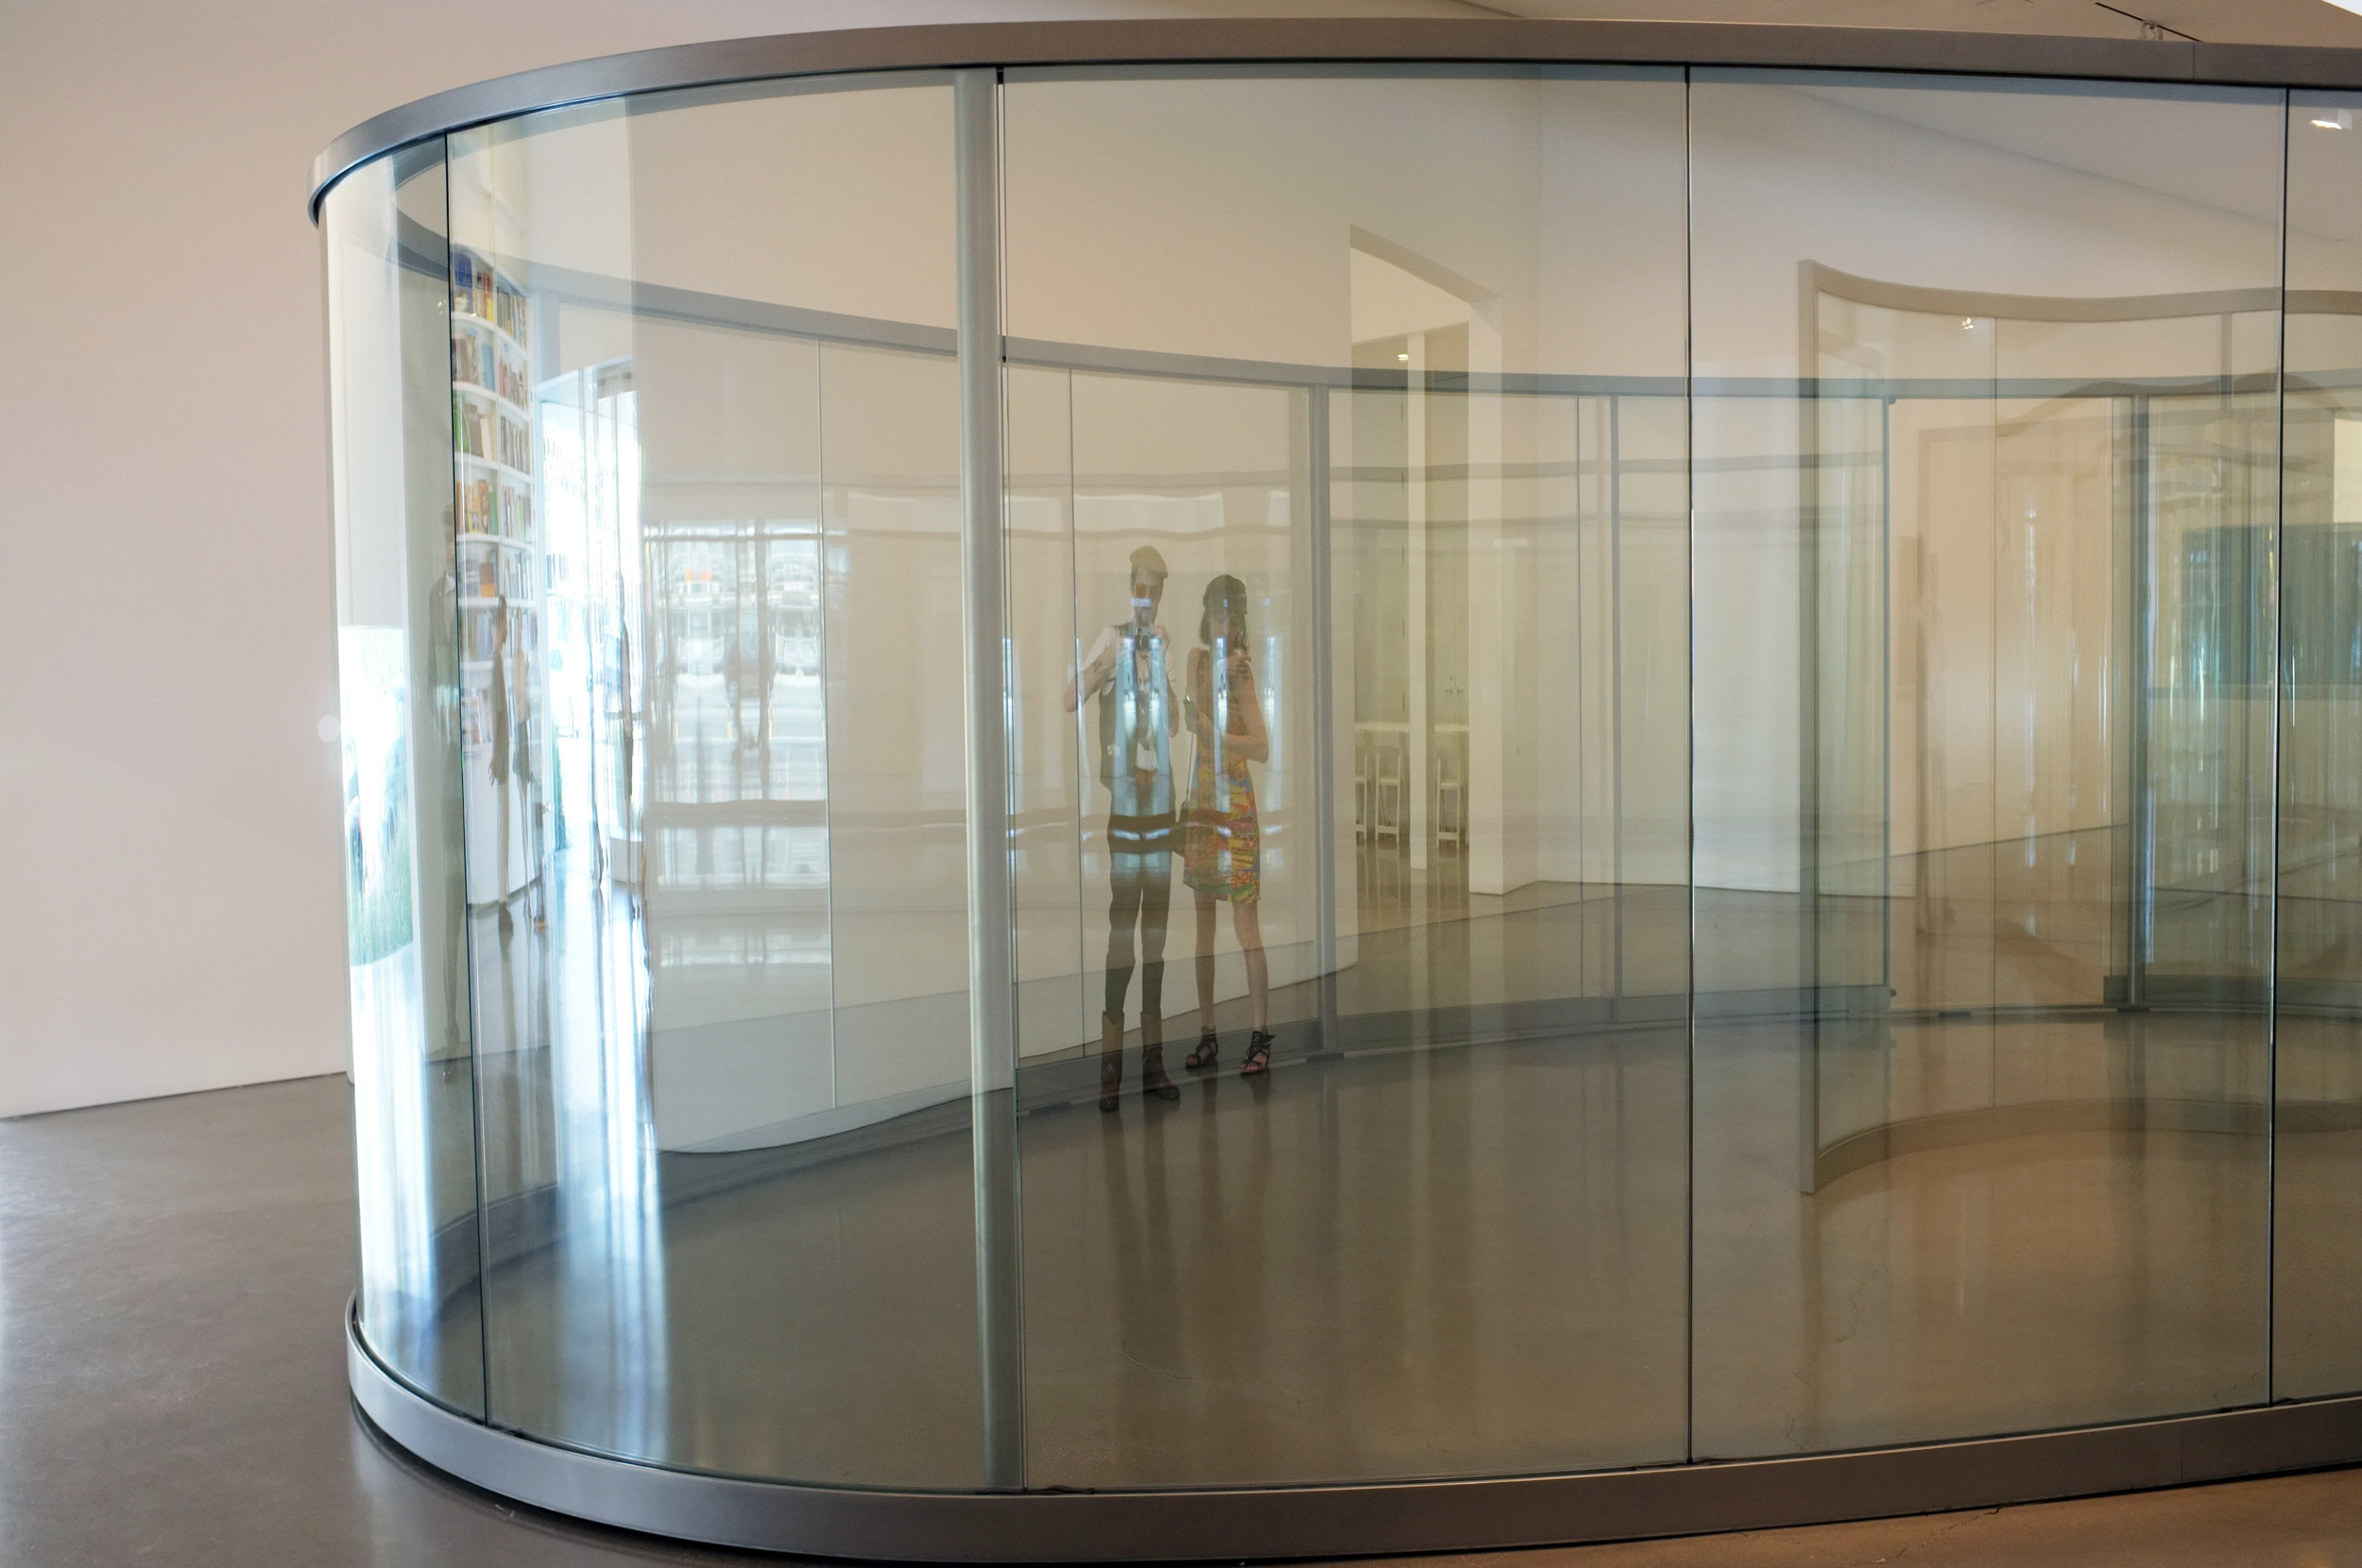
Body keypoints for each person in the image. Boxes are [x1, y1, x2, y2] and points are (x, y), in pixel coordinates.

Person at [1068, 546, 1182, 1111]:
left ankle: (1152, 1062)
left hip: (1160, 814)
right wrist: (1109, 662)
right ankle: (1110, 1066)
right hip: (1126, 815)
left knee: (1155, 938)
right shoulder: (1110, 639)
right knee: (1122, 935)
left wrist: (1160, 663)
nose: (1147, 598)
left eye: (1155, 590)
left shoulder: (1161, 645)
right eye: (1141, 587)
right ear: (1129, 586)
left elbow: (1176, 725)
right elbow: (1070, 696)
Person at [1181, 574, 1275, 1078]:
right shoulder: (1200, 661)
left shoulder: (1241, 671)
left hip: (1235, 808)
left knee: (1245, 926)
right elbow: (1188, 716)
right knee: (1203, 930)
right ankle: (1208, 1031)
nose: (1227, 626)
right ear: (1208, 616)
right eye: (1220, 616)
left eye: (1234, 618)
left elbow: (1261, 747)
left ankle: (1260, 1034)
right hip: (1203, 809)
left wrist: (1217, 734)